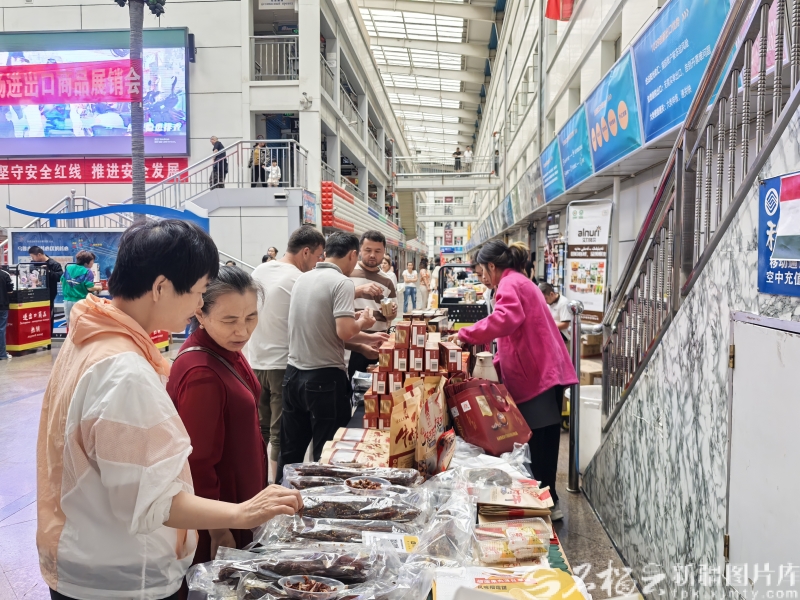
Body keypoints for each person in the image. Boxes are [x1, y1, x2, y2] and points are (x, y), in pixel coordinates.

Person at [36, 220, 301, 600]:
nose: (198, 305)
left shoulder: (93, 338)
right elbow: (153, 500)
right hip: (123, 576)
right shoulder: (123, 370)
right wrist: (240, 514)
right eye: (197, 292)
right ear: (160, 287)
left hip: (88, 557)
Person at [455, 241, 577, 522]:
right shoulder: (519, 282)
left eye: (482, 271)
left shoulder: (509, 284)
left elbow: (506, 319)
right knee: (540, 439)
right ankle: (546, 498)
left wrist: (467, 334)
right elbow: (511, 337)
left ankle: (549, 500)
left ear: (492, 266)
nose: (482, 277)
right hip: (541, 369)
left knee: (541, 440)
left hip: (539, 374)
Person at [167, 266, 266, 570]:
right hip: (222, 514)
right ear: (200, 313)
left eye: (251, 317)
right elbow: (198, 463)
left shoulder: (226, 351)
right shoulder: (202, 372)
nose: (243, 331)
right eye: (229, 320)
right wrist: (218, 529)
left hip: (240, 503)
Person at [278, 232, 379, 478]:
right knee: (327, 454)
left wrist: (362, 342)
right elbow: (344, 331)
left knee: (291, 451)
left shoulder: (304, 278)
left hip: (293, 377)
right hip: (323, 380)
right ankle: (321, 504)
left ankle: (282, 499)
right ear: (353, 254)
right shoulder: (342, 282)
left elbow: (320, 328)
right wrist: (364, 322)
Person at [246, 226, 326, 484]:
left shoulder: (259, 270)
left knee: (260, 430)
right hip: (283, 365)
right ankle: (273, 484)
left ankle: (256, 481)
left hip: (255, 361)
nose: (317, 263)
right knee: (281, 434)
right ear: (306, 252)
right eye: (317, 256)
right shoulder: (299, 279)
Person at [348, 231, 397, 379]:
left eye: (377, 251)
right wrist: (359, 290)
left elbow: (391, 315)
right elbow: (334, 300)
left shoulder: (387, 280)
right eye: (368, 250)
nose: (372, 255)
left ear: (384, 253)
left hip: (378, 344)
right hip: (353, 343)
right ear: (359, 250)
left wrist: (391, 313)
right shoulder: (348, 273)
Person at [28, 245, 63, 334]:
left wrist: (48, 272)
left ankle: (48, 336)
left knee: (47, 315)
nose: (32, 259)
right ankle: (35, 335)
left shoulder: (54, 264)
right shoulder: (33, 264)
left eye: (33, 257)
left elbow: (60, 277)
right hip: (35, 294)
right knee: (35, 316)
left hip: (49, 294)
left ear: (39, 254)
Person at [60, 250, 99, 328]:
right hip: (81, 301)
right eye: (92, 261)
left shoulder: (69, 268)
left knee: (70, 325)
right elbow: (90, 287)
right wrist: (99, 287)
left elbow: (61, 281)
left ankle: (71, 340)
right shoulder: (87, 271)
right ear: (86, 262)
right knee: (81, 325)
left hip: (67, 301)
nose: (92, 263)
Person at [0, 267, 12, 360]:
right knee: (1, 330)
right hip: (2, 306)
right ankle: (2, 354)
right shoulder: (5, 274)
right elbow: (10, 291)